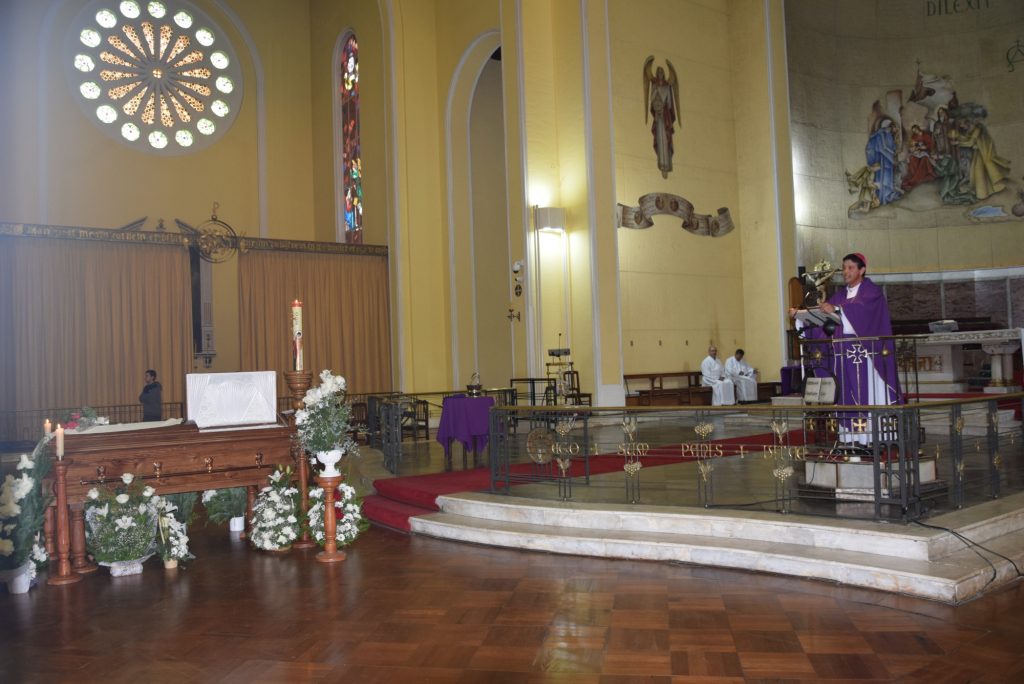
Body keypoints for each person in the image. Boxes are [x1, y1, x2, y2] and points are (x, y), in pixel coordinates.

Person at [790, 253, 902, 444]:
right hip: (843, 357)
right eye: (844, 268)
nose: (846, 272)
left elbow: (862, 313)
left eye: (850, 268)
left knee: (865, 394)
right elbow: (826, 323)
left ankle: (872, 439)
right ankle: (850, 439)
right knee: (846, 395)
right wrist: (801, 318)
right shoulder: (840, 295)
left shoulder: (872, 292)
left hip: (866, 357)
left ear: (862, 270)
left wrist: (837, 310)